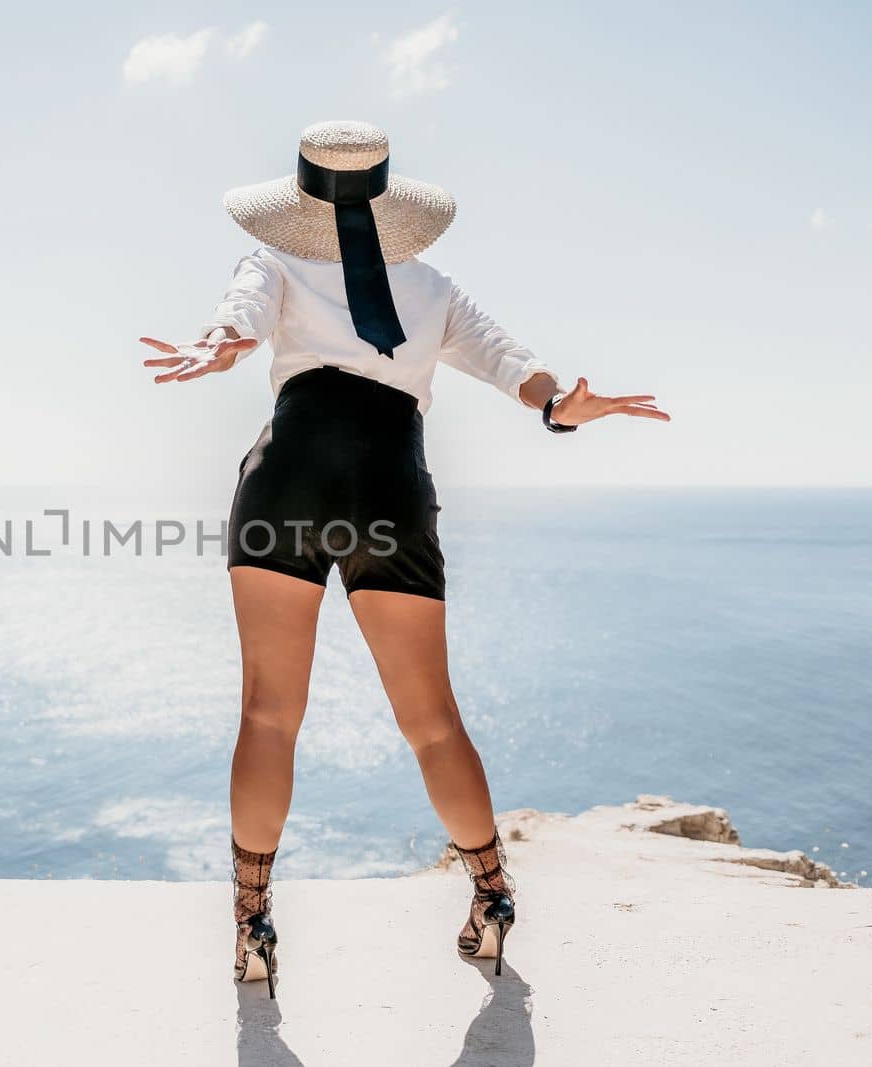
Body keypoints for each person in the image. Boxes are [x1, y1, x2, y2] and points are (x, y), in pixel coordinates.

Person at [138, 120, 669, 998]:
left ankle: (253, 924)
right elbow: (513, 363)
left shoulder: (275, 261)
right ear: (391, 204)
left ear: (301, 201)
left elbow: (240, 312)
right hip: (390, 487)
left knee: (270, 716)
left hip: (288, 482)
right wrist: (557, 406)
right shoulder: (432, 287)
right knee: (431, 719)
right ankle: (493, 897)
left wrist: (224, 344)